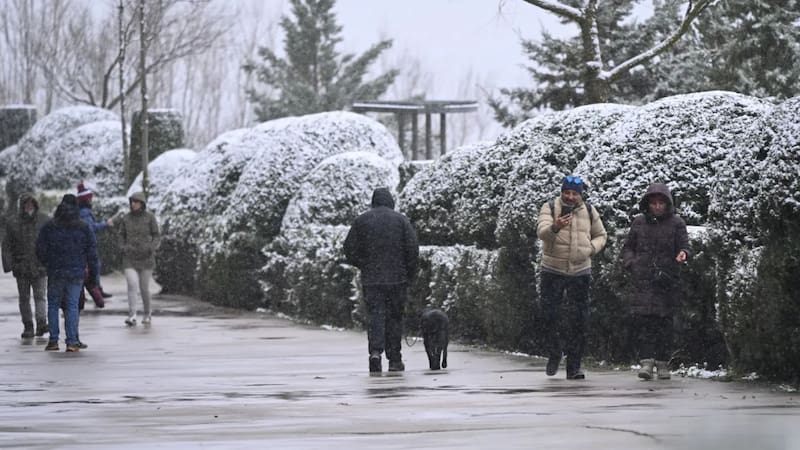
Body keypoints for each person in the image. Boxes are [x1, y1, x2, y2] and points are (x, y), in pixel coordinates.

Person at [536, 175, 607, 380]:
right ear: (562, 192)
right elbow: (542, 232)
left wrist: (591, 249)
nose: (570, 196)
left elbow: (602, 235)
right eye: (567, 192)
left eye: (574, 193)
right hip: (552, 269)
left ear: (580, 195)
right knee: (548, 316)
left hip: (580, 271)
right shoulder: (549, 207)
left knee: (579, 321)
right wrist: (555, 226)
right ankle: (554, 351)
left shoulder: (590, 211)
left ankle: (574, 367)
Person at [344, 188, 419, 373]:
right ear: (391, 201)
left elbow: (349, 249)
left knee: (375, 316)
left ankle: (375, 352)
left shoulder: (362, 220)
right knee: (394, 317)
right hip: (397, 279)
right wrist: (409, 272)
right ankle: (394, 359)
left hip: (372, 280)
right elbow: (412, 249)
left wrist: (364, 264)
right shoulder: (401, 220)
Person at [622, 182, 689, 381]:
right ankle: (646, 361)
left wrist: (683, 254)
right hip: (643, 280)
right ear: (648, 204)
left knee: (665, 324)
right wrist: (632, 264)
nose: (657, 207)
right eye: (654, 203)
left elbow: (685, 246)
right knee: (644, 324)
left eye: (661, 203)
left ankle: (662, 363)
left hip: (667, 280)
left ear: (667, 204)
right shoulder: (639, 222)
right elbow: (628, 247)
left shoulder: (677, 223)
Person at [36, 194, 99, 352]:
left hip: (55, 270)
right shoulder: (83, 226)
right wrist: (94, 275)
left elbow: (40, 248)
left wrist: (47, 262)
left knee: (53, 305)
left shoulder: (50, 225)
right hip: (76, 271)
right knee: (72, 305)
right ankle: (71, 342)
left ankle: (53, 341)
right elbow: (92, 252)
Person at [2, 193, 50, 338]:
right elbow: (7, 246)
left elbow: (51, 242)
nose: (29, 206)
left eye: (31, 203)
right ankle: (28, 326)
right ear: (22, 206)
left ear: (35, 205)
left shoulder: (44, 220)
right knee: (24, 298)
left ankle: (41, 324)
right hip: (21, 267)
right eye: (26, 204)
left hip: (40, 266)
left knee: (40, 296)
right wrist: (10, 265)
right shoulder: (13, 223)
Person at [117, 192, 160, 327]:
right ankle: (132, 315)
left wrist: (151, 248)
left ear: (141, 203)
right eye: (131, 202)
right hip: (129, 257)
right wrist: (123, 247)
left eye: (135, 202)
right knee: (132, 283)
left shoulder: (150, 218)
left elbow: (156, 235)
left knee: (144, 288)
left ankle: (147, 314)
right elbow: (120, 235)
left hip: (146, 258)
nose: (133, 204)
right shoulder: (126, 218)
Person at [76, 181, 113, 300]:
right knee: (93, 267)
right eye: (90, 199)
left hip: (81, 246)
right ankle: (96, 291)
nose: (91, 201)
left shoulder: (80, 212)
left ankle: (91, 291)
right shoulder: (85, 213)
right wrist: (105, 224)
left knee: (86, 268)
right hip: (88, 246)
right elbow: (91, 228)